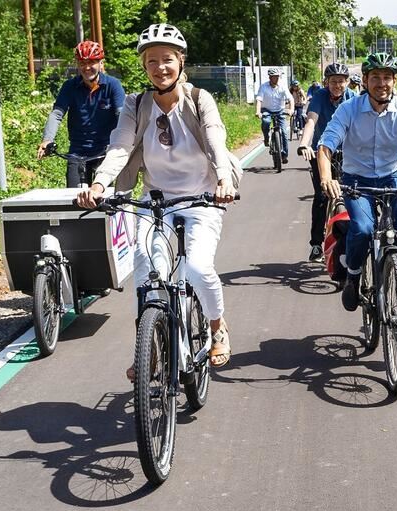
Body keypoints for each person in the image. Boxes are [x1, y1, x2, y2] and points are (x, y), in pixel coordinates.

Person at [77, 23, 238, 375]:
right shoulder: (137, 105)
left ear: (181, 62)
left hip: (203, 197)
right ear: (144, 66)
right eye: (152, 61)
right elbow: (120, 146)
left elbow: (215, 140)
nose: (160, 67)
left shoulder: (199, 100)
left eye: (167, 59)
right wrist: (101, 184)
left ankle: (216, 327)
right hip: (155, 200)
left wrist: (224, 179)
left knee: (197, 267)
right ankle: (147, 348)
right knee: (148, 276)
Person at [317, 52, 397, 321]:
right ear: (365, 81)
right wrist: (327, 178)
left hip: (392, 175)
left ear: (394, 81)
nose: (381, 83)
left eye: (387, 77)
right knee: (363, 229)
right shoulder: (349, 109)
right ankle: (353, 277)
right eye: (375, 77)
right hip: (356, 179)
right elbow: (326, 145)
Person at [37, 40, 125, 187]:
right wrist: (47, 139)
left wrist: (126, 143)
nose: (87, 67)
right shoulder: (69, 87)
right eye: (82, 63)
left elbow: (121, 116)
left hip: (106, 150)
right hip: (78, 152)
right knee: (74, 199)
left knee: (105, 201)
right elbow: (57, 114)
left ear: (101, 63)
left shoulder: (113, 85)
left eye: (92, 62)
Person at [297, 62, 356, 263]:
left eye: (341, 81)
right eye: (333, 81)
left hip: (348, 153)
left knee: (354, 194)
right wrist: (305, 144)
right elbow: (311, 121)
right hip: (321, 152)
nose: (337, 85)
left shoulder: (353, 99)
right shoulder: (320, 97)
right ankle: (316, 244)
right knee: (322, 196)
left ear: (347, 82)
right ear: (326, 82)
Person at [255, 67, 293, 162]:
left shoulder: (283, 86)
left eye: (277, 77)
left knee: (284, 132)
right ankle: (266, 138)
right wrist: (258, 112)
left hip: (280, 110)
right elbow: (259, 100)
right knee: (266, 121)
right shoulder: (264, 87)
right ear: (270, 77)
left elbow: (290, 99)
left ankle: (284, 154)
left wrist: (291, 110)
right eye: (273, 77)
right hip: (267, 110)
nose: (276, 79)